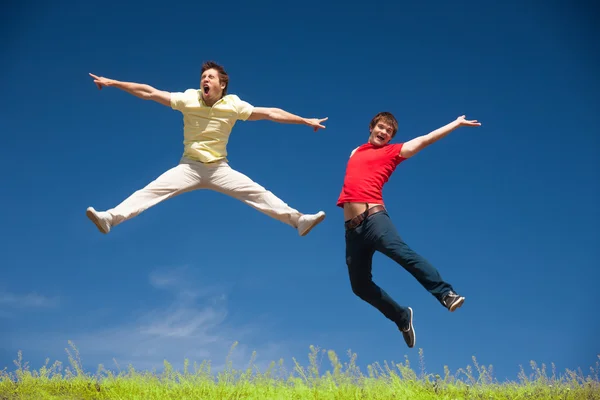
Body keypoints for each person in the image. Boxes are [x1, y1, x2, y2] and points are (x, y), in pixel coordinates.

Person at [85, 61, 327, 236]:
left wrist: (304, 120)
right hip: (189, 167)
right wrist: (114, 82)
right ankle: (110, 218)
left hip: (219, 168)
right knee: (150, 191)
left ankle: (299, 221)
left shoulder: (234, 105)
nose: (205, 80)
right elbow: (150, 93)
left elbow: (271, 113)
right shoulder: (189, 99)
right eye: (203, 77)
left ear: (222, 84)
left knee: (258, 193)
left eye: (210, 77)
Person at [337, 112, 481, 348]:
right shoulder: (355, 152)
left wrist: (455, 123)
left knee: (401, 253)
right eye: (381, 127)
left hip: (374, 220)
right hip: (352, 231)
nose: (383, 132)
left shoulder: (392, 152)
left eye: (389, 132)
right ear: (372, 127)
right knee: (359, 286)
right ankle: (401, 317)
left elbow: (425, 139)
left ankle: (446, 293)